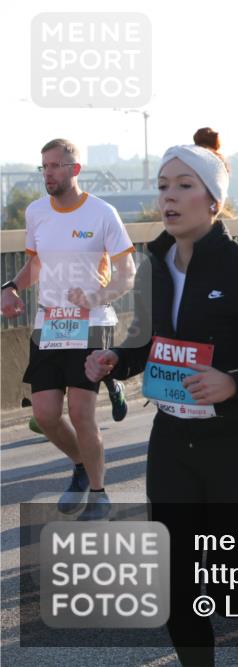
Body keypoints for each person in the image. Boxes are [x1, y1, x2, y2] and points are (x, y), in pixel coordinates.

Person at [84, 129, 238, 663]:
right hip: (174, 442)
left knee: (229, 592)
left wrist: (235, 382)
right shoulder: (154, 266)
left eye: (183, 185)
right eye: (163, 186)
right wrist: (115, 360)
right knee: (175, 587)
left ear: (213, 200)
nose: (168, 197)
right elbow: (146, 343)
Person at [1, 138, 136, 521]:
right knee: (44, 415)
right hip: (49, 323)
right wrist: (11, 288)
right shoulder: (36, 212)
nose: (48, 173)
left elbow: (127, 273)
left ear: (74, 169)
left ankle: (99, 494)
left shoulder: (103, 213)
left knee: (80, 412)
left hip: (91, 323)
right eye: (43, 166)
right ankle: (80, 463)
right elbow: (36, 265)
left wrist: (96, 296)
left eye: (55, 166)